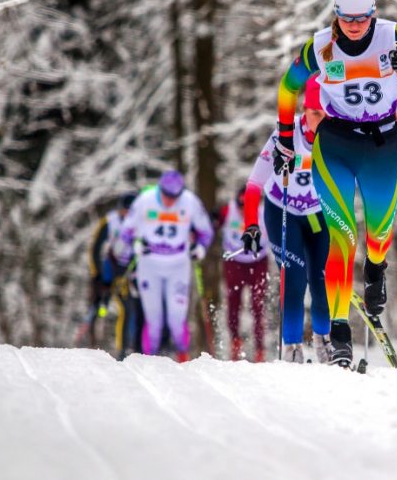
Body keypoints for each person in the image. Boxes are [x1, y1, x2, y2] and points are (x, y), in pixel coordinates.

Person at [274, 0, 397, 367]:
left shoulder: (393, 36)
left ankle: (377, 267)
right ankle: (340, 334)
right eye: (346, 18)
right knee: (342, 238)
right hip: (336, 144)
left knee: (379, 233)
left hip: (382, 145)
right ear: (336, 14)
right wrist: (284, 136)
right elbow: (287, 88)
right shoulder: (320, 47)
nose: (353, 26)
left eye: (361, 18)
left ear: (373, 13)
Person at [241, 75, 332, 363]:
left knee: (320, 277)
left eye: (327, 114)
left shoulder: (335, 135)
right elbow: (255, 183)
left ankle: (325, 342)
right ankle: (291, 347)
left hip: (317, 214)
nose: (321, 121)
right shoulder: (285, 134)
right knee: (295, 278)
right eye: (315, 113)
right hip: (282, 212)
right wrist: (250, 225)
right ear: (305, 110)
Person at [118, 170, 214, 362]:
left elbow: (206, 232)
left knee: (176, 319)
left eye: (175, 197)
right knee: (154, 320)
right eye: (167, 195)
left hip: (178, 263)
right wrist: (135, 244)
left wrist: (200, 249)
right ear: (159, 189)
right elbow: (126, 231)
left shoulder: (189, 201)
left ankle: (183, 357)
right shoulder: (145, 200)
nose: (171, 201)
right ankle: (149, 360)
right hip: (150, 264)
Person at [218, 187, 270, 362]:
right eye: (241, 205)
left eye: (248, 206)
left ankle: (260, 349)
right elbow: (213, 223)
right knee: (233, 301)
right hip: (235, 261)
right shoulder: (228, 210)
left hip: (258, 262)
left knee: (258, 304)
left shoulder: (263, 213)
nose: (243, 210)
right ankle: (235, 342)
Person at [84, 192, 135, 349]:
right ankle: (91, 342)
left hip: (129, 268)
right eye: (125, 210)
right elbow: (95, 248)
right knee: (100, 304)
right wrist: (96, 274)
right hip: (110, 266)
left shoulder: (140, 222)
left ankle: (124, 348)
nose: (127, 214)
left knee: (128, 309)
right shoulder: (110, 221)